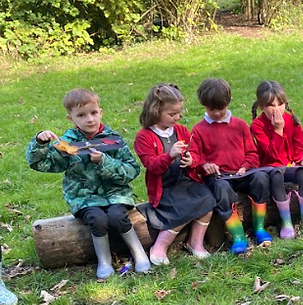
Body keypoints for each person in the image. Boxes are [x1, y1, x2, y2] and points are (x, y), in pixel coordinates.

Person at [25, 88, 149, 279]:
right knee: (97, 219)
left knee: (117, 216)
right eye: (81, 115)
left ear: (101, 112)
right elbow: (41, 163)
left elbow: (132, 170)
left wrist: (104, 162)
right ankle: (104, 261)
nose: (89, 119)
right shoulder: (68, 144)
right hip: (84, 197)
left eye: (93, 113)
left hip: (116, 195)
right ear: (71, 118)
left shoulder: (112, 140)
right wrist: (40, 143)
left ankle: (139, 254)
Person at [134, 83, 216, 265]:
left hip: (185, 181)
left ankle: (196, 242)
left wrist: (191, 161)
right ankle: (160, 246)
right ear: (156, 111)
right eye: (172, 114)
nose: (177, 117)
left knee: (207, 199)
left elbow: (196, 154)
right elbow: (151, 165)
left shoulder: (181, 131)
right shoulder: (144, 136)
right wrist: (169, 156)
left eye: (179, 113)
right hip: (164, 187)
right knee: (182, 209)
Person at [188, 78, 270, 254]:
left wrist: (246, 166)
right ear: (204, 105)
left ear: (228, 102)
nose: (217, 113)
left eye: (221, 108)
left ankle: (259, 228)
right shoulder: (198, 130)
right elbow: (194, 158)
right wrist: (205, 165)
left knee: (261, 178)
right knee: (222, 189)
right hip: (219, 177)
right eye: (212, 109)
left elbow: (252, 153)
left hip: (243, 173)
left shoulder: (240, 125)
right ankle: (238, 236)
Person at [250, 81, 303, 239]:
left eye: (280, 104)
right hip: (270, 169)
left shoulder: (292, 121)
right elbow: (273, 155)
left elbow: (300, 147)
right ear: (261, 106)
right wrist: (278, 130)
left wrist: (302, 159)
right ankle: (286, 222)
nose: (277, 109)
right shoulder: (257, 126)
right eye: (271, 105)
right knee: (277, 174)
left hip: (290, 166)